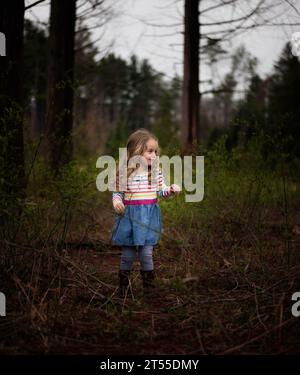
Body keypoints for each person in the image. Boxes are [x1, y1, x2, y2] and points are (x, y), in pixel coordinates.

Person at [110, 128, 181, 298]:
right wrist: (117, 202)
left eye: (155, 152)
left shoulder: (155, 173)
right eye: (149, 151)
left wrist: (170, 189)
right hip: (129, 217)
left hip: (148, 218)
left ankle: (148, 288)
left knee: (146, 253)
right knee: (127, 254)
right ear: (135, 151)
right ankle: (123, 287)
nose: (154, 155)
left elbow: (161, 191)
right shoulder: (126, 172)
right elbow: (117, 192)